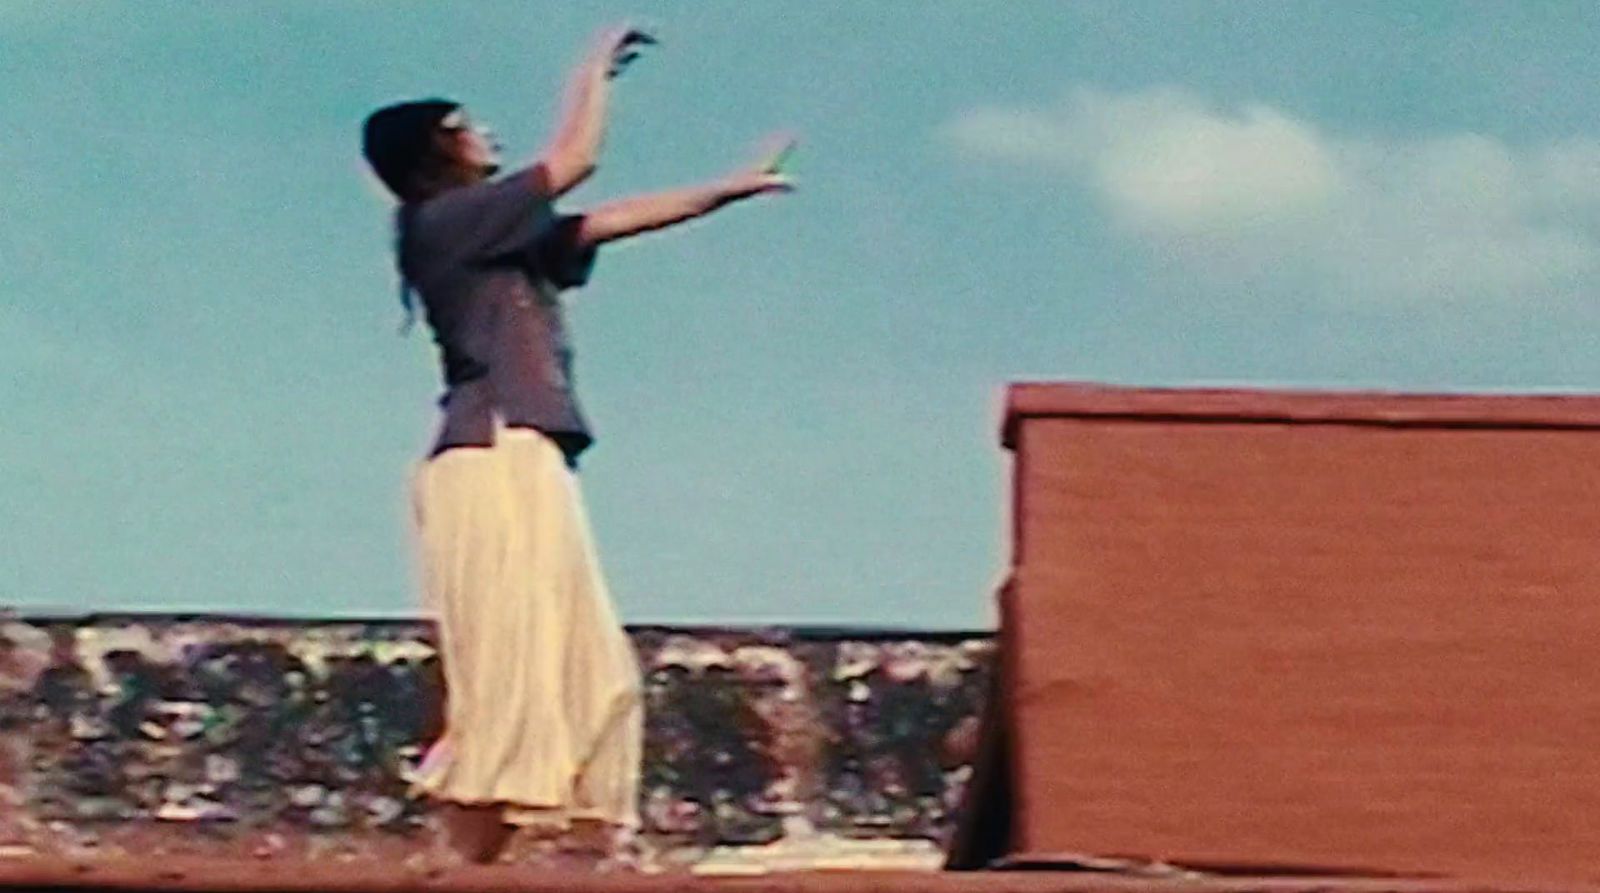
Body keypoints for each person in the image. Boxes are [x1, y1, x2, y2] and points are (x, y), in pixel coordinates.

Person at [360, 24, 792, 866]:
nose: (490, 135)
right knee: (512, 667)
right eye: (471, 125)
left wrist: (730, 189)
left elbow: (611, 218)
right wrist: (591, 72)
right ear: (436, 150)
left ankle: (518, 846)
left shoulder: (495, 235)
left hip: (525, 455)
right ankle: (473, 843)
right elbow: (577, 159)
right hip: (490, 455)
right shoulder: (446, 222)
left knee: (578, 663)